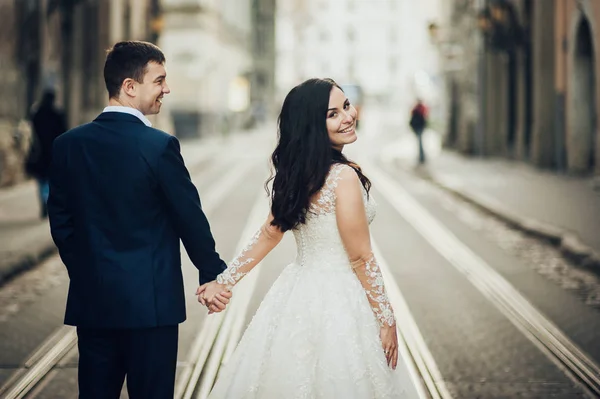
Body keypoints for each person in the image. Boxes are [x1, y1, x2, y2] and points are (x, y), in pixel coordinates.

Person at [198, 78, 408, 398]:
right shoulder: (344, 176)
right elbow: (360, 257)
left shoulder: (298, 174)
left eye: (346, 106)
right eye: (332, 114)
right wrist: (386, 319)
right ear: (312, 125)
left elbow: (269, 233)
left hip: (298, 291)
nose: (348, 117)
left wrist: (224, 281)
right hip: (343, 298)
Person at [47, 41, 232, 399]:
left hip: (95, 305)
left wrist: (88, 271)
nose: (167, 89)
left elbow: (62, 223)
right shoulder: (158, 146)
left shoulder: (68, 145)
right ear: (130, 86)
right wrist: (212, 272)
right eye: (159, 80)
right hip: (152, 309)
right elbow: (188, 218)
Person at [27, 89, 67, 218]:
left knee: (41, 180)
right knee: (51, 180)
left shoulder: (37, 114)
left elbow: (32, 133)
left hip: (39, 152)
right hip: (53, 152)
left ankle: (43, 201)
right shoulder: (58, 114)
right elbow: (63, 133)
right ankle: (47, 201)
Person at [409, 99, 428, 164]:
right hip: (420, 128)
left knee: (420, 143)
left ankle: (421, 157)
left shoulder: (416, 109)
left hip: (418, 128)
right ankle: (421, 157)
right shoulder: (421, 109)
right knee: (420, 143)